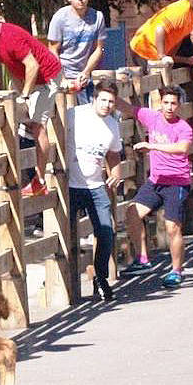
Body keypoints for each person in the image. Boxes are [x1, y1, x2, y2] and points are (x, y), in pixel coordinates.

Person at [0, 1, 62, 196]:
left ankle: (40, 180)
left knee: (38, 125)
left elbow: (33, 65)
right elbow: (11, 66)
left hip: (47, 77)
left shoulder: (9, 36)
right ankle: (22, 177)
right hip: (30, 78)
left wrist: (25, 95)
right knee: (18, 120)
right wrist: (17, 92)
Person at [114, 85, 193, 289]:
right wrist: (108, 91)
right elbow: (127, 107)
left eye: (173, 103)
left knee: (172, 227)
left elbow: (182, 149)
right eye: (165, 102)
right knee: (132, 212)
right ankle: (142, 259)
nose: (169, 107)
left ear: (179, 105)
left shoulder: (183, 127)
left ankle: (176, 271)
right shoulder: (152, 117)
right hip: (156, 181)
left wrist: (152, 146)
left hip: (177, 181)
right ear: (160, 103)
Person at [66, 80, 123, 300]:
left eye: (111, 101)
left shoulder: (112, 125)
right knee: (64, 233)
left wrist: (116, 172)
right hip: (71, 185)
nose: (107, 105)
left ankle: (100, 277)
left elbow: (114, 153)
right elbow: (54, 133)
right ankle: (63, 277)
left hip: (96, 185)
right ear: (94, 99)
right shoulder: (75, 115)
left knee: (106, 232)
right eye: (103, 100)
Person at [47, 0, 107, 104]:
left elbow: (99, 49)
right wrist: (62, 78)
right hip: (63, 74)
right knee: (67, 116)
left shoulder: (98, 17)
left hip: (85, 74)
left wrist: (86, 72)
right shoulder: (60, 18)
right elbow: (53, 50)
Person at [129, 0, 193, 63]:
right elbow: (160, 28)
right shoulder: (182, 11)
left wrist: (171, 57)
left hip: (153, 55)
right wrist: (162, 57)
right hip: (143, 49)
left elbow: (179, 37)